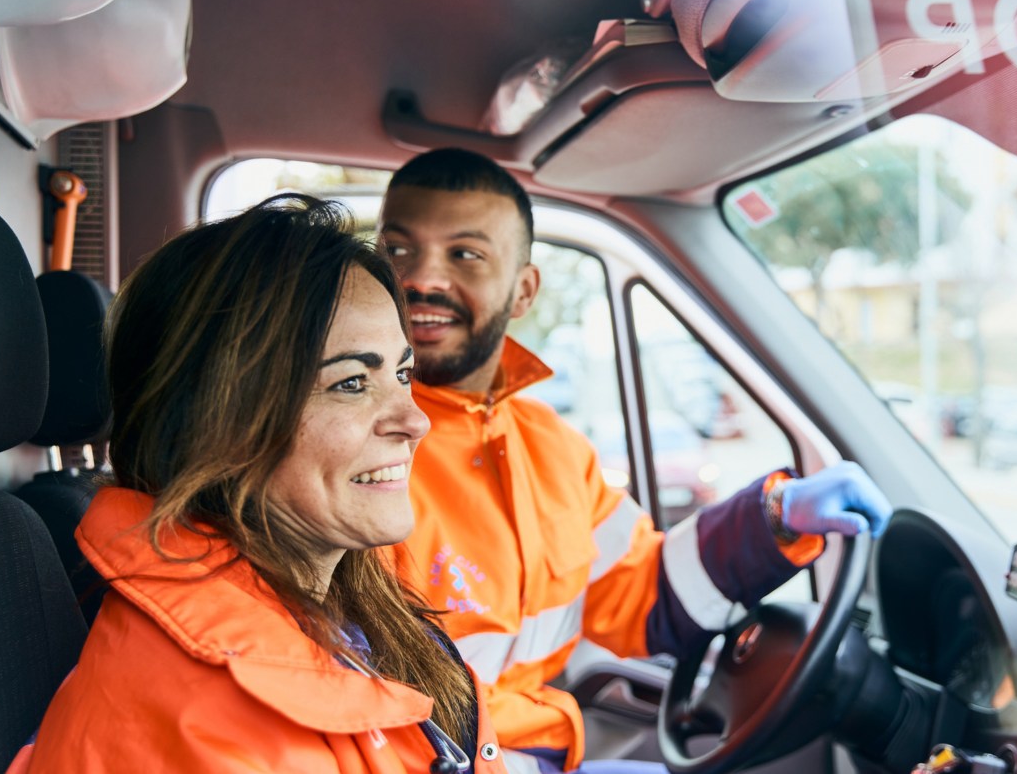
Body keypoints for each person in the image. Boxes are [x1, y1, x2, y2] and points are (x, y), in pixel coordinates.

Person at [379, 148, 893, 774]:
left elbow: (643, 594)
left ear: (523, 291)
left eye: (465, 254)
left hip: (527, 750)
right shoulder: (348, 451)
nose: (422, 279)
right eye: (398, 251)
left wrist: (776, 517)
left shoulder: (554, 447)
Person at [10, 195, 508, 773]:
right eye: (351, 382)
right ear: (220, 419)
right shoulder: (207, 724)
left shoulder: (344, 603)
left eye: (401, 373)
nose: (416, 420)